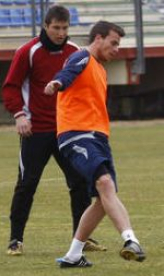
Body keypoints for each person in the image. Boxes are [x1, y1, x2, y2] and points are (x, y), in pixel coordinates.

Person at [2, 5, 106, 255]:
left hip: (67, 131)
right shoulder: (28, 51)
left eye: (65, 28)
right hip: (35, 131)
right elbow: (10, 87)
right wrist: (19, 115)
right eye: (56, 28)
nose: (61, 33)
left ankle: (82, 239)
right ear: (46, 26)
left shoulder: (75, 53)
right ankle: (15, 240)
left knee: (79, 183)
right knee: (27, 184)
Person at [44, 20, 146, 268]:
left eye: (119, 45)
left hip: (98, 138)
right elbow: (67, 73)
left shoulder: (100, 69)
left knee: (104, 198)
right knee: (104, 183)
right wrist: (57, 83)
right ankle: (130, 240)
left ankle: (73, 255)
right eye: (113, 43)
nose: (116, 49)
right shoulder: (82, 57)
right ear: (98, 39)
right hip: (77, 135)